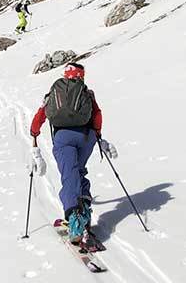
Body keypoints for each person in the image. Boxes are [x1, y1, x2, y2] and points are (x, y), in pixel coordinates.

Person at [28, 62, 118, 244]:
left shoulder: (54, 92)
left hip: (64, 138)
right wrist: (98, 136)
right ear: (81, 75)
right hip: (86, 137)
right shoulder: (87, 93)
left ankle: (75, 223)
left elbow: (40, 116)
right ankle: (84, 215)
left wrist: (34, 135)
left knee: (70, 177)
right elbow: (97, 115)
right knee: (79, 172)